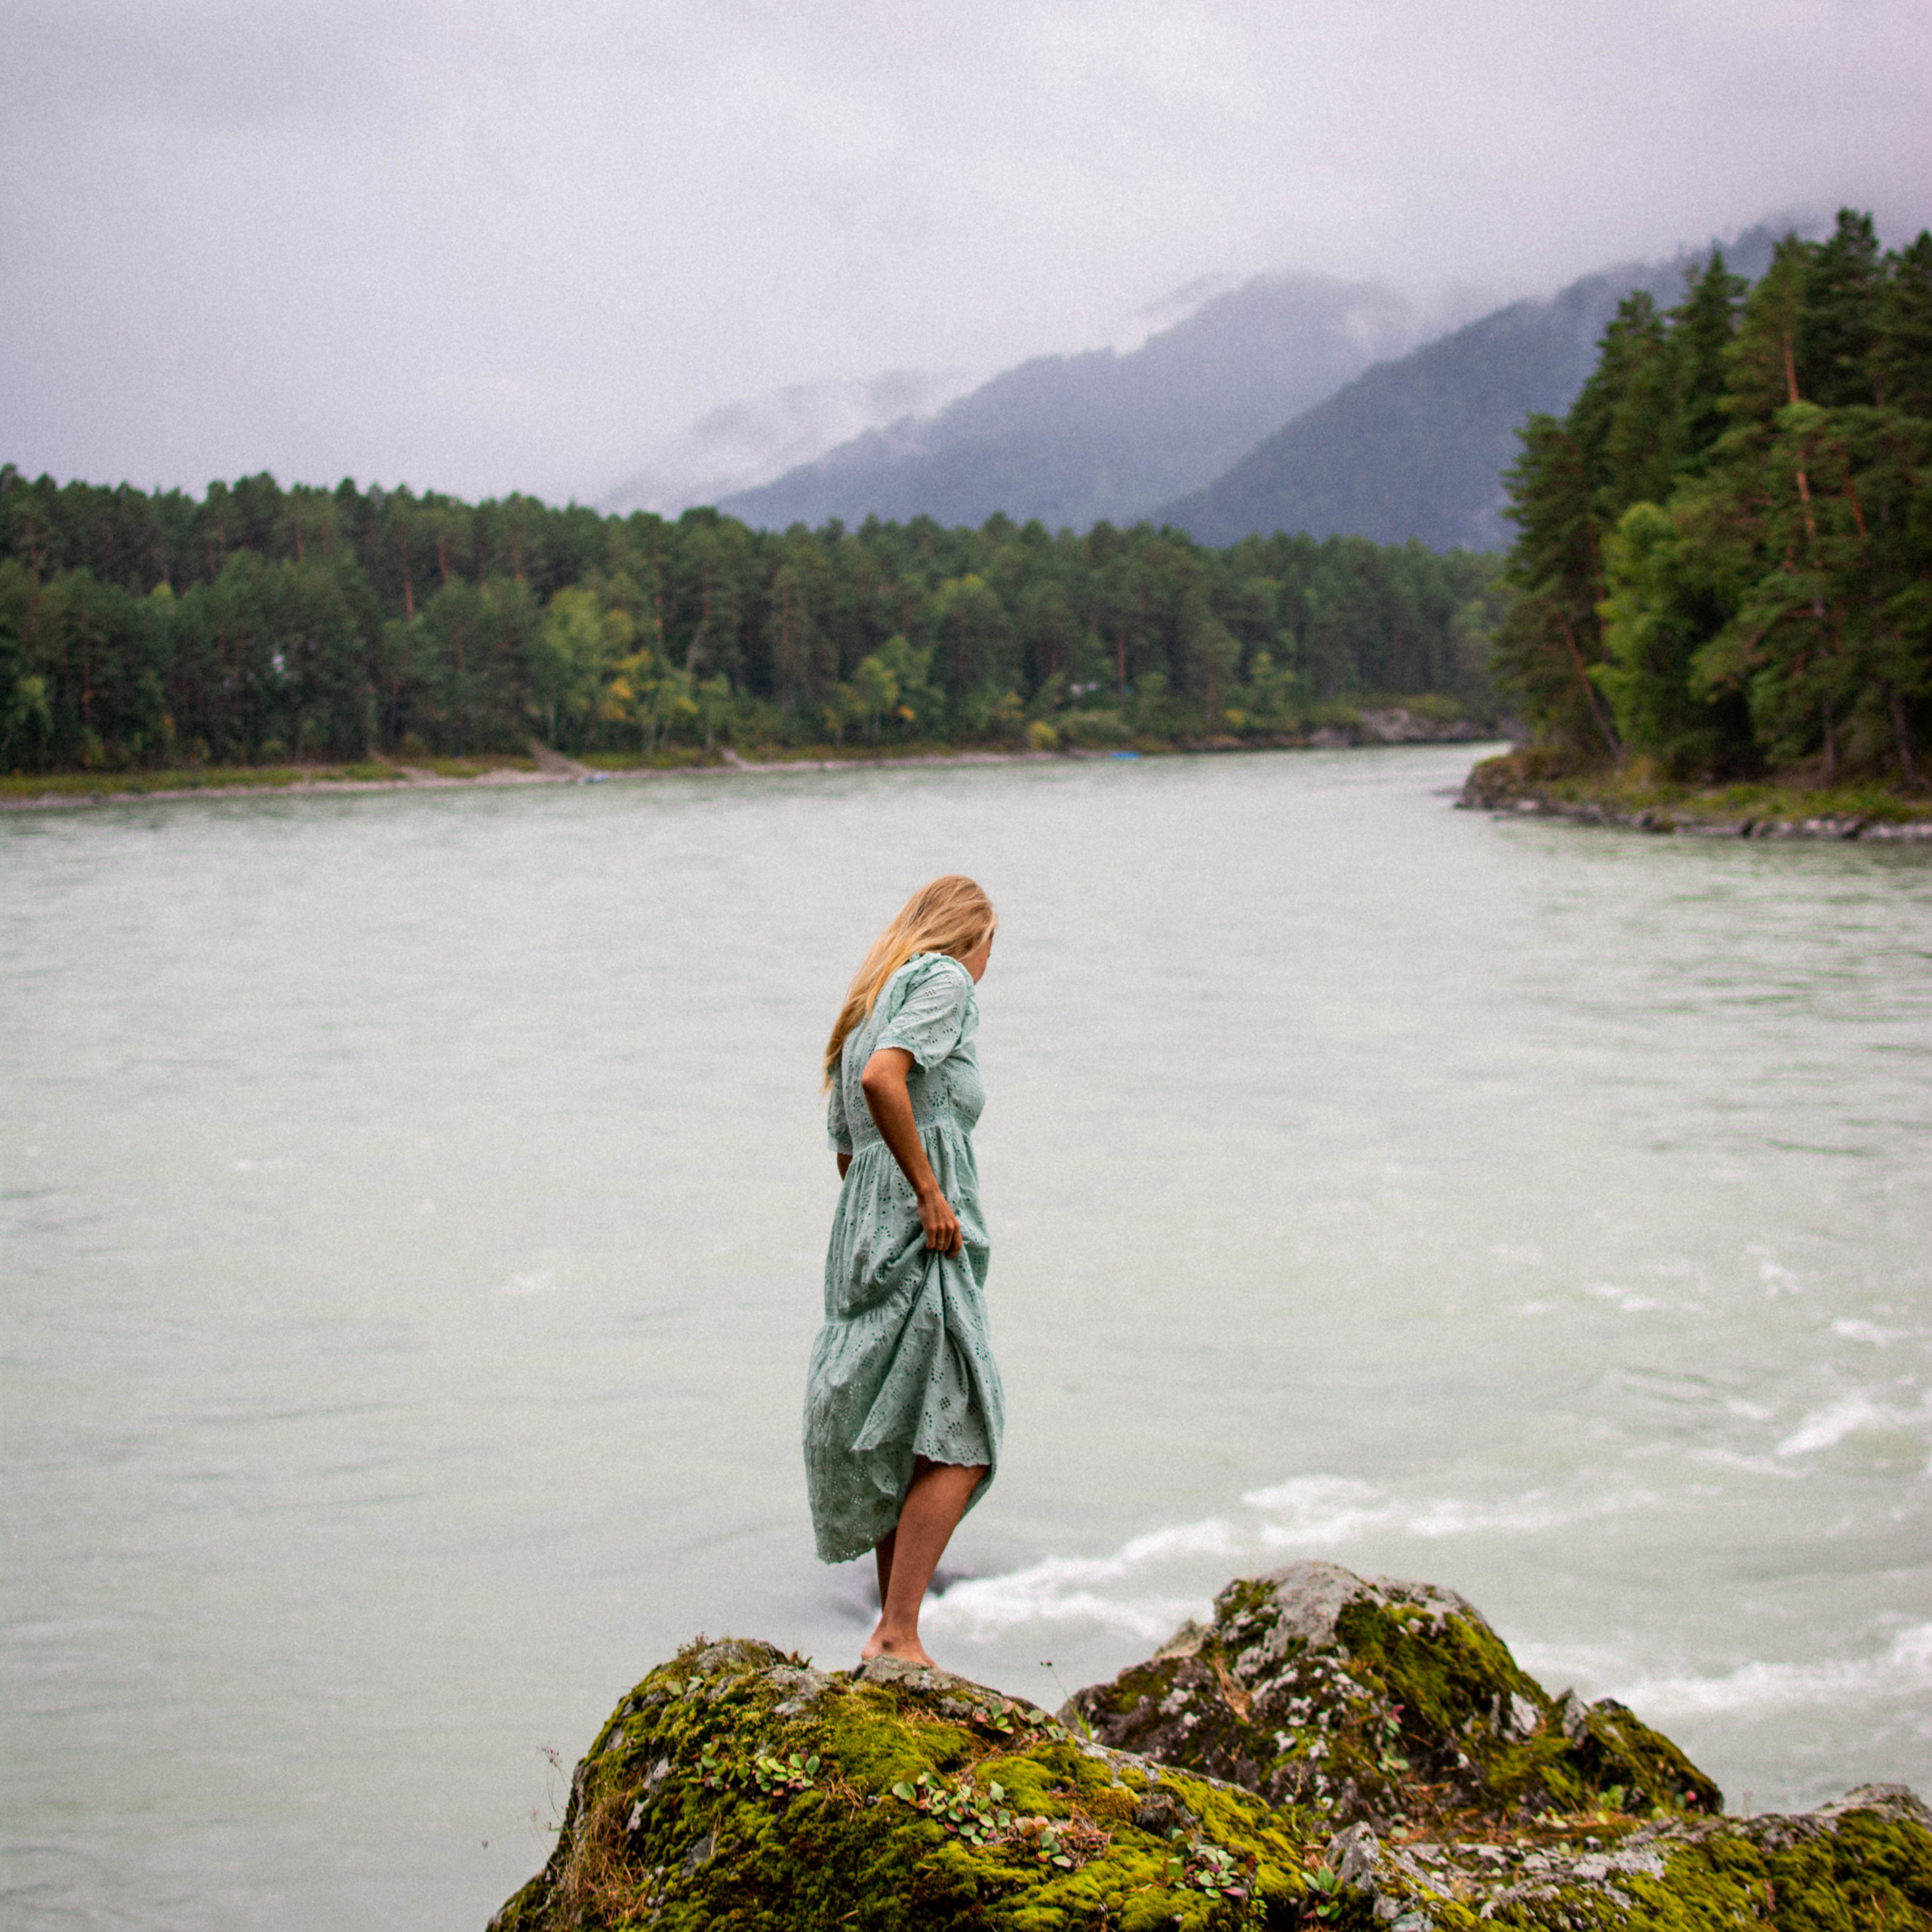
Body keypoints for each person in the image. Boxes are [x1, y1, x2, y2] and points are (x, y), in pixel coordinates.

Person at [803, 875, 1004, 1669]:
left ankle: (895, 1635)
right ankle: (896, 1631)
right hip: (924, 1230)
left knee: (900, 1429)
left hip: (863, 1233)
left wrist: (883, 1201)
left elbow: (847, 1145)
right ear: (973, 935)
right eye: (993, 946)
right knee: (962, 1435)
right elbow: (882, 1081)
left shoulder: (867, 1004)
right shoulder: (944, 980)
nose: (990, 963)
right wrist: (927, 1190)